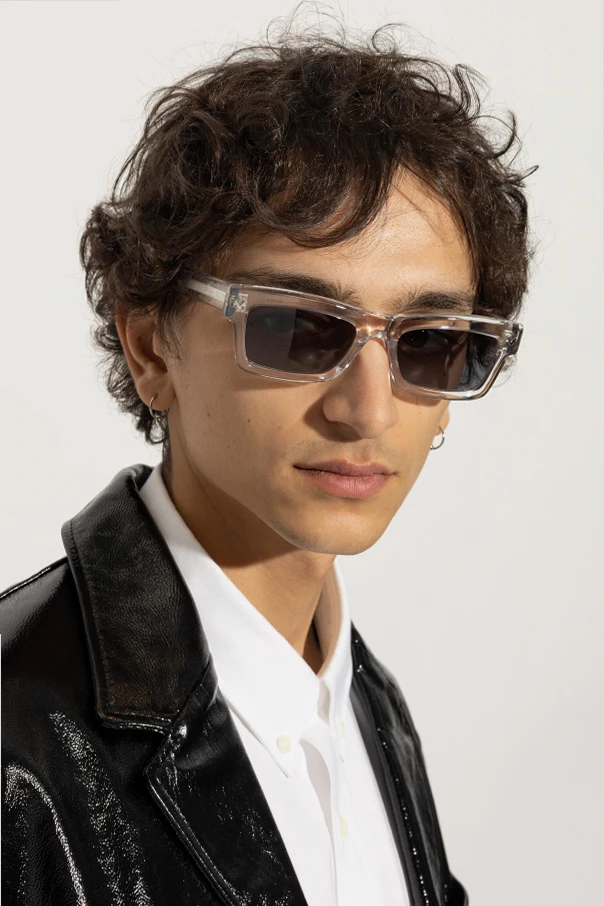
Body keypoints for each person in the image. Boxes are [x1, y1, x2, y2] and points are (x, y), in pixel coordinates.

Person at [1, 17, 537, 906]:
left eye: (430, 342)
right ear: (151, 347)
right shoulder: (19, 750)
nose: (368, 410)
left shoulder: (367, 707)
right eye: (297, 329)